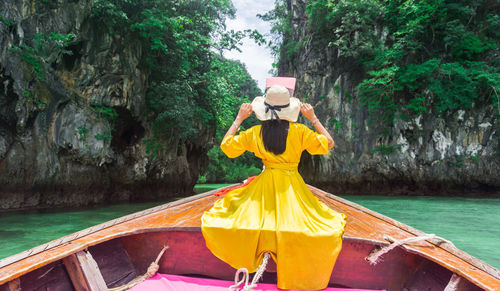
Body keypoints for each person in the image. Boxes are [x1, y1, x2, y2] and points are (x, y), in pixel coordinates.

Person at [201, 83, 346, 290]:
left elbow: (227, 147)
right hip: (292, 185)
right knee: (316, 224)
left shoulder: (255, 133)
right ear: (289, 108)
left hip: (265, 183)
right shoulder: (300, 131)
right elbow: (329, 142)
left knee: (233, 214)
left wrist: (239, 119)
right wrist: (313, 117)